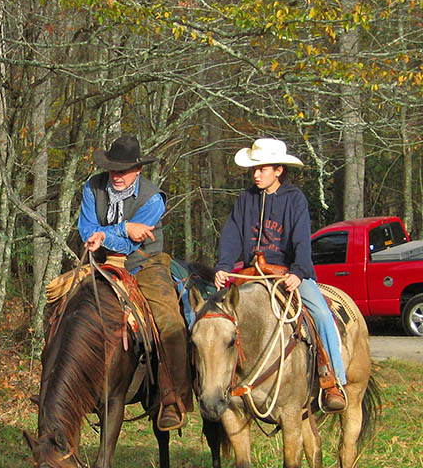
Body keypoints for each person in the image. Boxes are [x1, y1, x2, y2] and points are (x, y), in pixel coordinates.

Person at [213, 138, 347, 412]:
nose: (256, 174)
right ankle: (215, 382)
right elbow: (232, 236)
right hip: (251, 273)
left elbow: (301, 240)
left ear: (278, 170)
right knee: (214, 317)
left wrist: (298, 271)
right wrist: (223, 266)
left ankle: (333, 379)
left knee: (321, 314)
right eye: (255, 169)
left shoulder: (295, 199)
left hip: (287, 272)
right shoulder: (245, 200)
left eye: (262, 169)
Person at [78, 134, 192, 431]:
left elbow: (129, 245)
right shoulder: (92, 187)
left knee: (169, 319)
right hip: (100, 262)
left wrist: (105, 234)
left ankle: (172, 396)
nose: (117, 175)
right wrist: (125, 227)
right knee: (60, 302)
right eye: (113, 169)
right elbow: (86, 228)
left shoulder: (153, 199)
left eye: (124, 170)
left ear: (138, 171)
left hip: (145, 262)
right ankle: (59, 380)